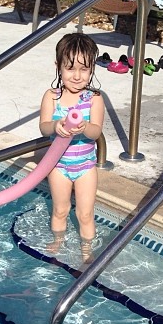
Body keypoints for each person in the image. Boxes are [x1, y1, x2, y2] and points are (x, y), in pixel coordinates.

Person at [39, 33, 105, 261]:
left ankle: (86, 252)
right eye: (70, 68)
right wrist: (56, 125)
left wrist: (85, 127)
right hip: (59, 166)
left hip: (85, 166)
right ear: (58, 67)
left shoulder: (94, 99)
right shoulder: (52, 97)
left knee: (85, 214)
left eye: (84, 69)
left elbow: (97, 131)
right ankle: (57, 244)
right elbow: (44, 128)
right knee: (60, 210)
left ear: (92, 69)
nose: (77, 76)